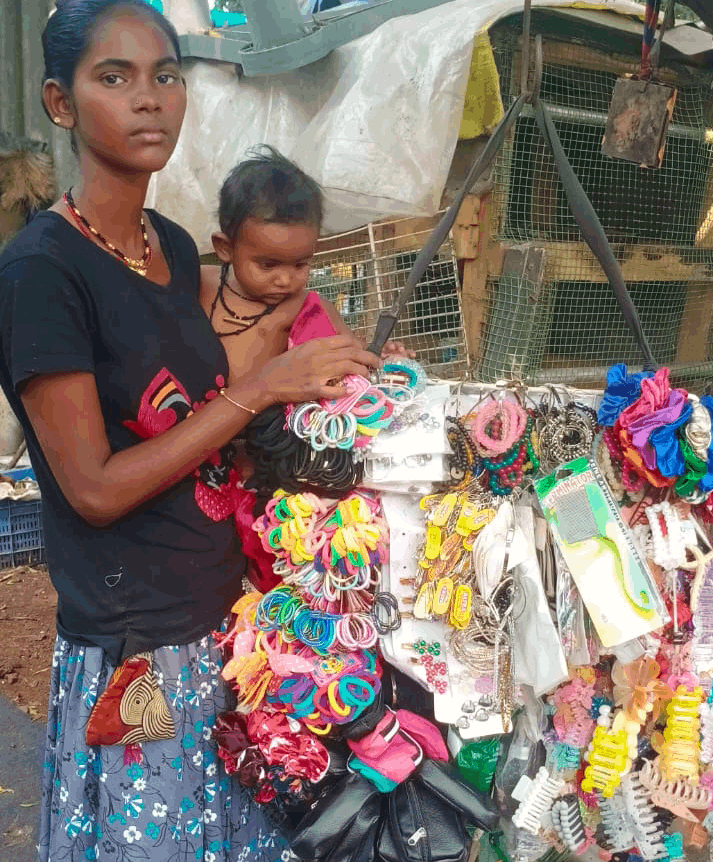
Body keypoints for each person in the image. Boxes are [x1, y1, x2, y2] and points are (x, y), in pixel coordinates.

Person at [0, 1, 380, 860]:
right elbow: (93, 488)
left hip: (223, 624)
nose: (149, 99)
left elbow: (210, 400)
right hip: (140, 647)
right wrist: (262, 389)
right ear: (61, 105)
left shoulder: (169, 246)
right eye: (114, 78)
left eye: (165, 75)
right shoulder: (42, 274)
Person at [199, 145, 410, 385]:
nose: (286, 280)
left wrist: (387, 364)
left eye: (300, 265)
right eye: (268, 265)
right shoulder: (200, 284)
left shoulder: (306, 308)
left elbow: (354, 360)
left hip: (268, 420)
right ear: (225, 248)